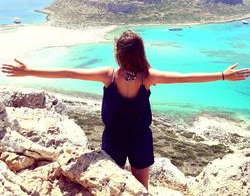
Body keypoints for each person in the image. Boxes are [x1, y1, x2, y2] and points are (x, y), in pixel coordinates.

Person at [1, 30, 250, 189]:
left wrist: (29, 71)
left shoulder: (107, 75)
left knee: (112, 186)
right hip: (141, 138)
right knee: (141, 188)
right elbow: (185, 78)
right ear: (140, 53)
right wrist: (221, 75)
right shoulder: (147, 77)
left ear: (118, 54)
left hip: (114, 138)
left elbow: (67, 73)